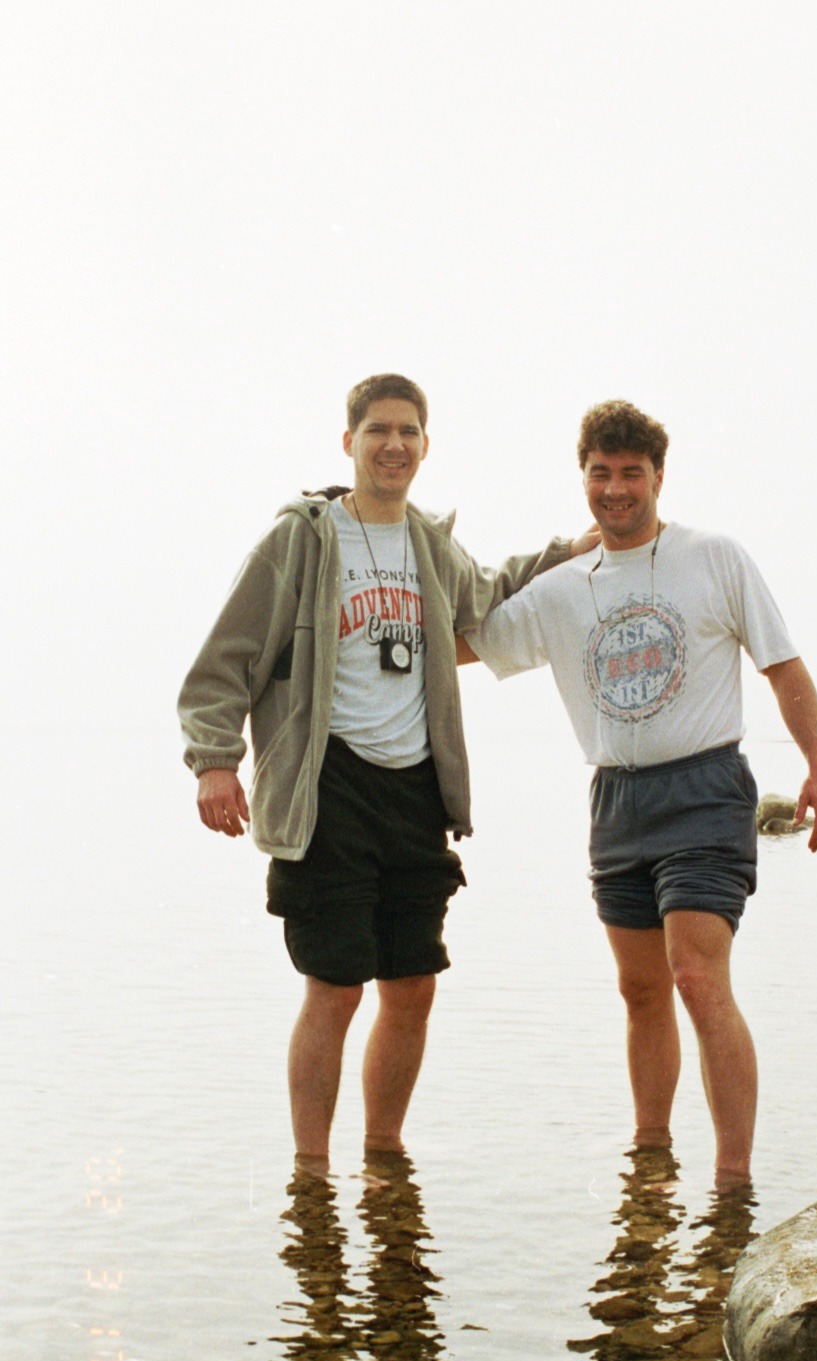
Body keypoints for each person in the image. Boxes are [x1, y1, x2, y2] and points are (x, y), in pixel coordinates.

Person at [178, 373, 595, 1173]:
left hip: (414, 789)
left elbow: (490, 589)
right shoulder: (298, 540)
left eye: (407, 431)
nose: (393, 444)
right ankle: (310, 1171)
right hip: (326, 785)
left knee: (412, 984)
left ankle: (384, 1156)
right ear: (349, 442)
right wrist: (213, 761)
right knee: (334, 987)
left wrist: (567, 551)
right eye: (377, 430)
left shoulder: (430, 544)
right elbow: (221, 665)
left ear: (425, 445)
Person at [460, 399, 817, 1183]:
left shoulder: (715, 557)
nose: (614, 489)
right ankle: (650, 1158)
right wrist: (354, 627)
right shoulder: (563, 588)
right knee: (640, 989)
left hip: (704, 789)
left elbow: (782, 665)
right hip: (615, 801)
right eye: (600, 473)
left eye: (630, 472)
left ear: (658, 477)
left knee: (696, 978)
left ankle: (733, 1179)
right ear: (584, 479)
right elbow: (462, 644)